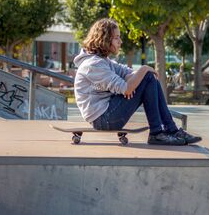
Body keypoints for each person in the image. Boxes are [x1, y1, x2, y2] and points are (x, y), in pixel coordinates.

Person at [73, 18, 201, 145]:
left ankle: (170, 130)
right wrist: (141, 73)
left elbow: (127, 73)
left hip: (108, 113)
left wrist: (134, 82)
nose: (120, 41)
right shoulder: (93, 65)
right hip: (103, 119)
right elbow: (127, 88)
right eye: (116, 38)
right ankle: (158, 133)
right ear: (104, 39)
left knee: (147, 77)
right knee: (147, 76)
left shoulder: (103, 61)